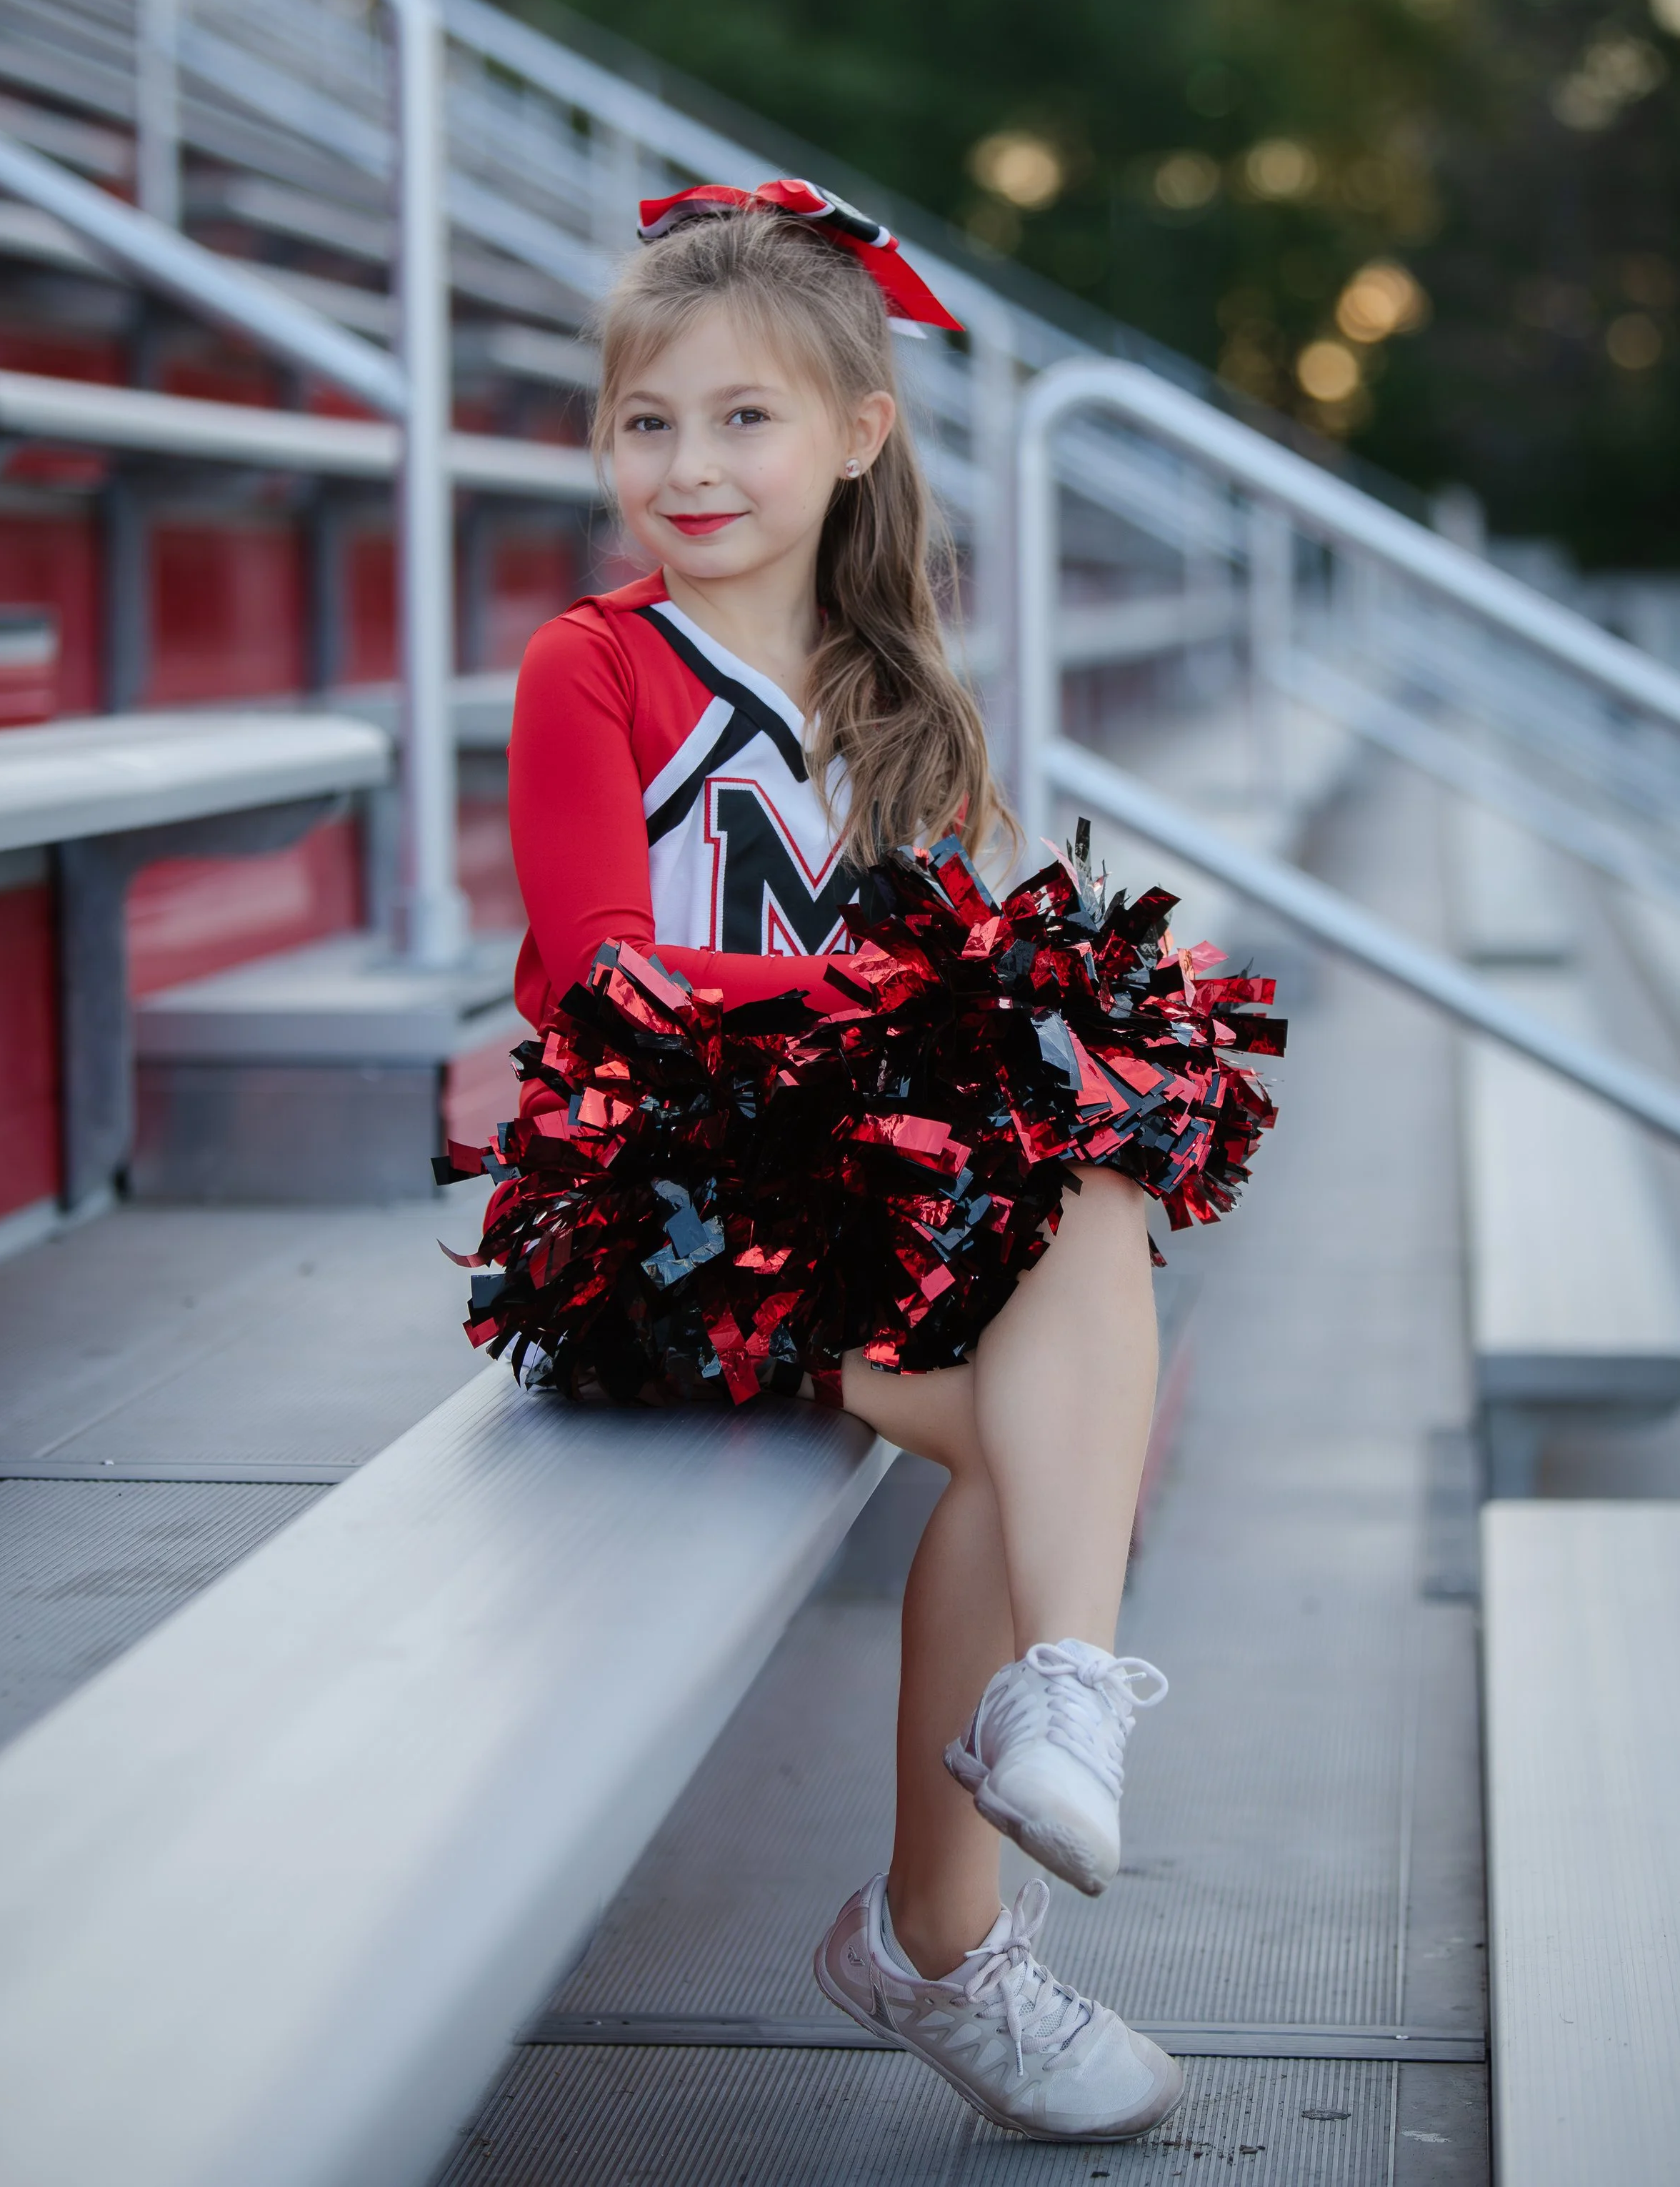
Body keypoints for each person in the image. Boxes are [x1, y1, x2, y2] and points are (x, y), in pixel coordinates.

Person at [474, 181, 1277, 2144]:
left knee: (1087, 1185)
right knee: (1060, 1410)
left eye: (744, 417)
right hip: (659, 1225)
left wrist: (1036, 996)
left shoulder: (899, 702)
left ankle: (1052, 1708)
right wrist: (930, 999)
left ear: (857, 429)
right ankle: (942, 1927)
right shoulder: (595, 666)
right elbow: (597, 978)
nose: (687, 462)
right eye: (646, 420)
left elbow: (958, 1022)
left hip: (843, 1221)